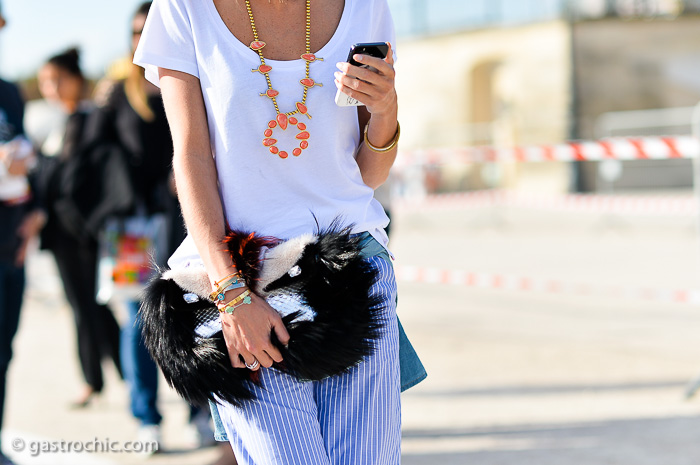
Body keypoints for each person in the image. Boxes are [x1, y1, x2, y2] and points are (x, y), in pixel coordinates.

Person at [134, 0, 426, 463]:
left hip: (350, 268)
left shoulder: (366, 6)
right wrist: (230, 293)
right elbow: (190, 157)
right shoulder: (183, 8)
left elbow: (366, 175)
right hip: (243, 278)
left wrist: (386, 107)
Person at [31, 48, 123, 408]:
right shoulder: (52, 122)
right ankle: (96, 379)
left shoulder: (92, 119)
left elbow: (89, 178)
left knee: (94, 306)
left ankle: (110, 376)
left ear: (76, 79)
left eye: (56, 80)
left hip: (86, 231)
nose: (50, 88)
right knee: (82, 306)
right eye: (44, 82)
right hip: (58, 234)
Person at [0, 4, 44, 465]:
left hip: (12, 244)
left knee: (3, 351)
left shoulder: (9, 91)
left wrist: (37, 213)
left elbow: (28, 159)